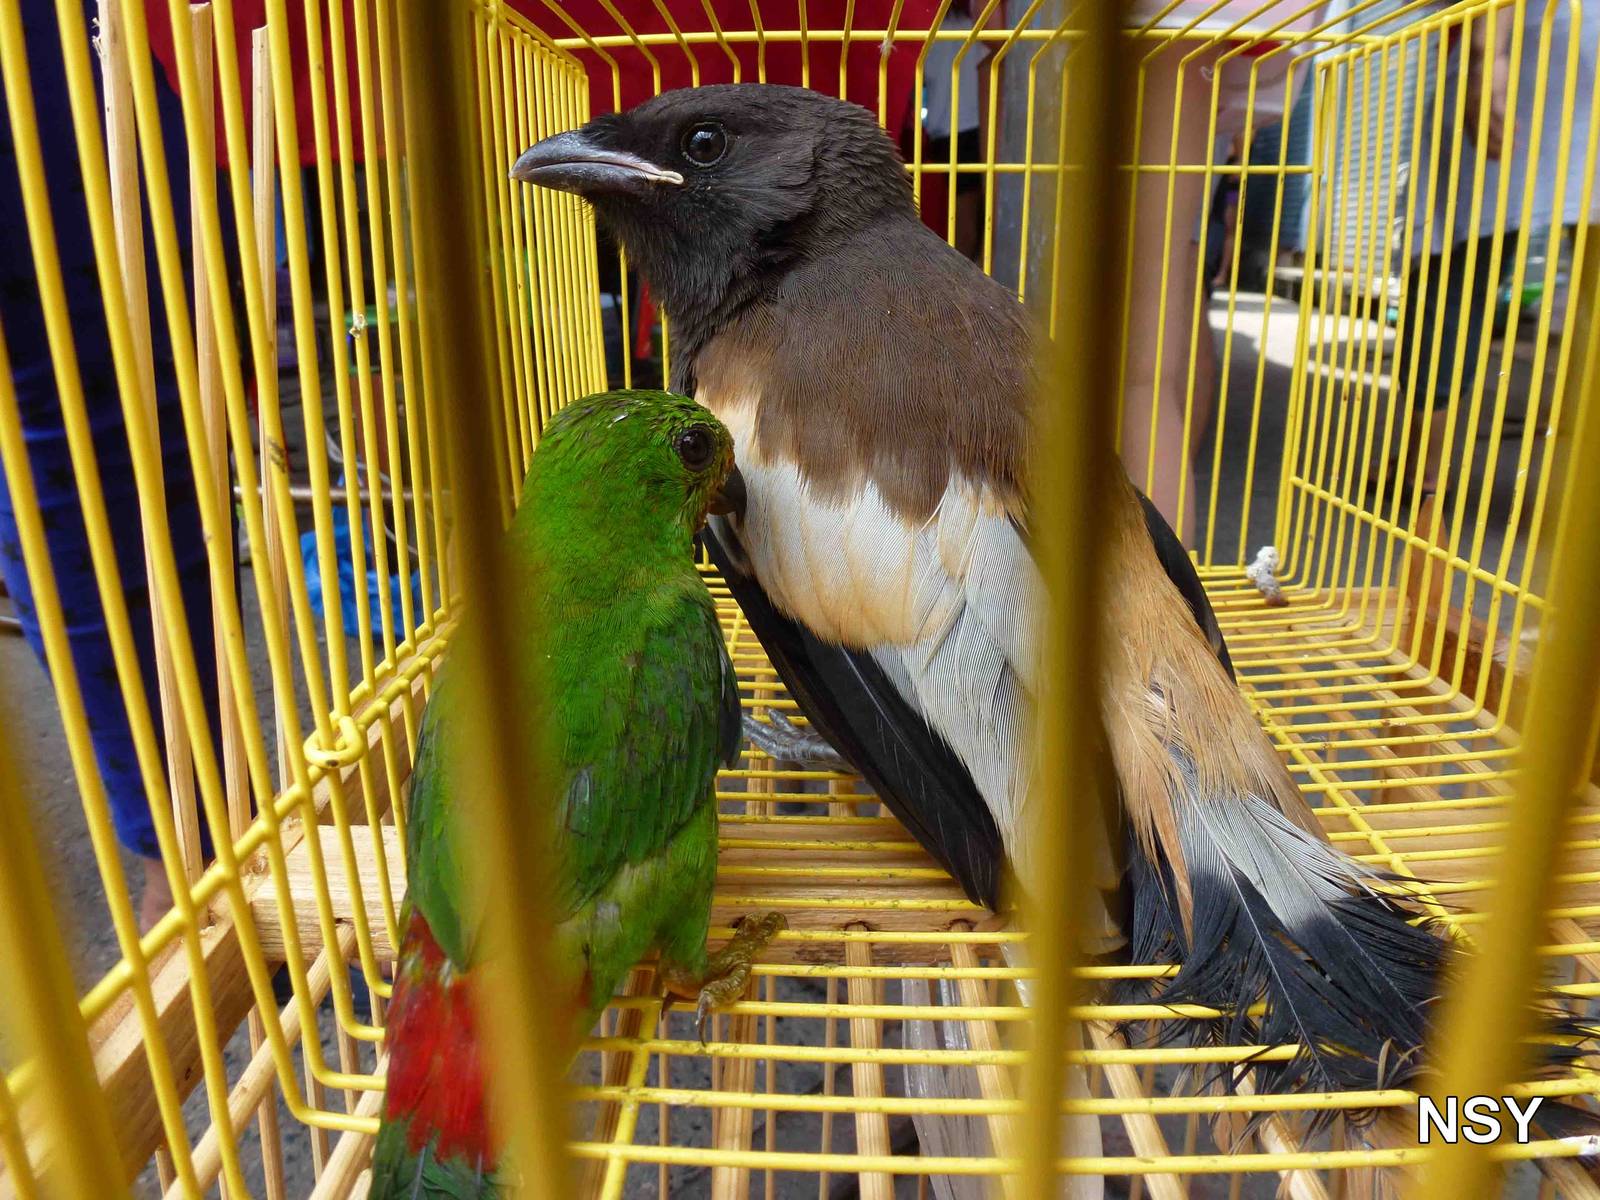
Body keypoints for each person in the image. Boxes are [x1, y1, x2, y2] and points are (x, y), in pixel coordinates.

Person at [0, 2, 219, 931]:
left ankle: (207, 803)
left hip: (72, 44)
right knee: (66, 432)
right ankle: (178, 836)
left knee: (157, 379)